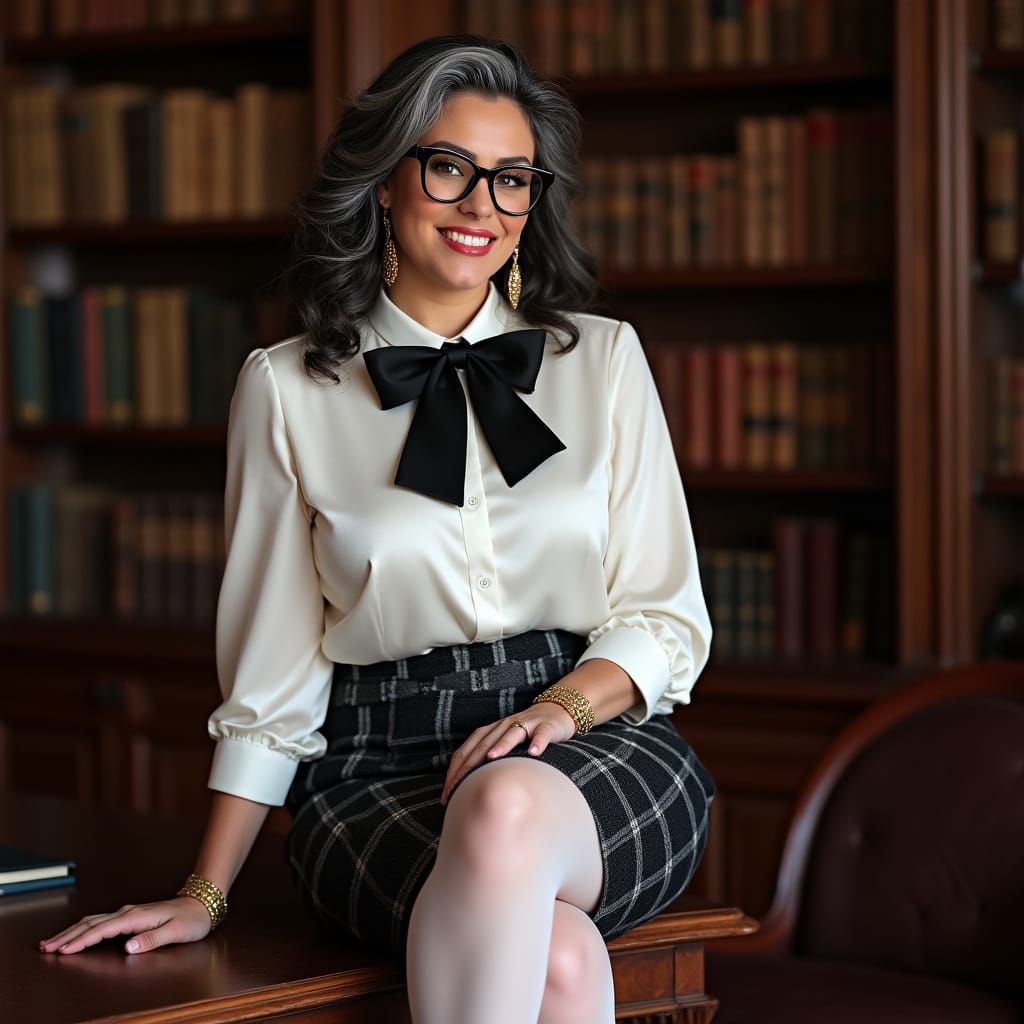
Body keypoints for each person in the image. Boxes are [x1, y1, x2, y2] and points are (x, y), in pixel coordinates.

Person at [37, 34, 716, 1024]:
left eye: (512, 179)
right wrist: (205, 892)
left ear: (534, 203)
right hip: (375, 770)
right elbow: (276, 663)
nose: (482, 206)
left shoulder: (602, 361)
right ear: (385, 184)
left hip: (592, 743)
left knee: (506, 801)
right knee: (558, 958)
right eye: (449, 168)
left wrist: (562, 709)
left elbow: (664, 612)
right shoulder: (287, 386)